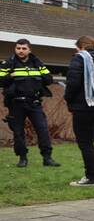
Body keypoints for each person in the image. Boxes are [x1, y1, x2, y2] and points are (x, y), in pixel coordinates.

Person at [0, 39, 60, 167]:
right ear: (15, 49)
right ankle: (22, 158)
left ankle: (47, 158)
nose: (20, 51)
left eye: (23, 48)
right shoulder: (8, 63)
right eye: (18, 48)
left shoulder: (37, 63)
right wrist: (11, 76)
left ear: (29, 50)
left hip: (34, 103)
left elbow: (49, 79)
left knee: (43, 130)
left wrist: (39, 75)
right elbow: (1, 80)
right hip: (16, 103)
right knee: (18, 132)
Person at [64, 36, 94, 186]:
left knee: (85, 144)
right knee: (89, 143)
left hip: (83, 107)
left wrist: (68, 99)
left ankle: (91, 178)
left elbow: (72, 83)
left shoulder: (80, 59)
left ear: (80, 47)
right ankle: (91, 176)